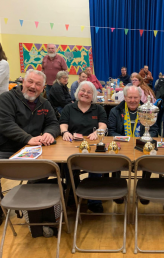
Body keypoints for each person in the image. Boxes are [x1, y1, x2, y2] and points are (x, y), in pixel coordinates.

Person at [0, 70, 60, 228]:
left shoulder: (45, 104)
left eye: (38, 84)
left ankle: (29, 197)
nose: (33, 86)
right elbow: (6, 124)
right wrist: (28, 138)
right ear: (23, 82)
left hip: (26, 148)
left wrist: (49, 133)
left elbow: (53, 123)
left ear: (43, 88)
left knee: (48, 166)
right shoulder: (7, 98)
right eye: (30, 82)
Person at [60, 81, 107, 213]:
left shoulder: (99, 109)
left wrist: (96, 132)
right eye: (83, 90)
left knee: (96, 167)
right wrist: (65, 132)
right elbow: (63, 124)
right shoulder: (68, 108)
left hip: (92, 146)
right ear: (77, 92)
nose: (85, 94)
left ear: (93, 95)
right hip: (71, 147)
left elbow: (103, 125)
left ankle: (94, 200)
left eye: (89, 92)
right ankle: (73, 196)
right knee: (68, 167)